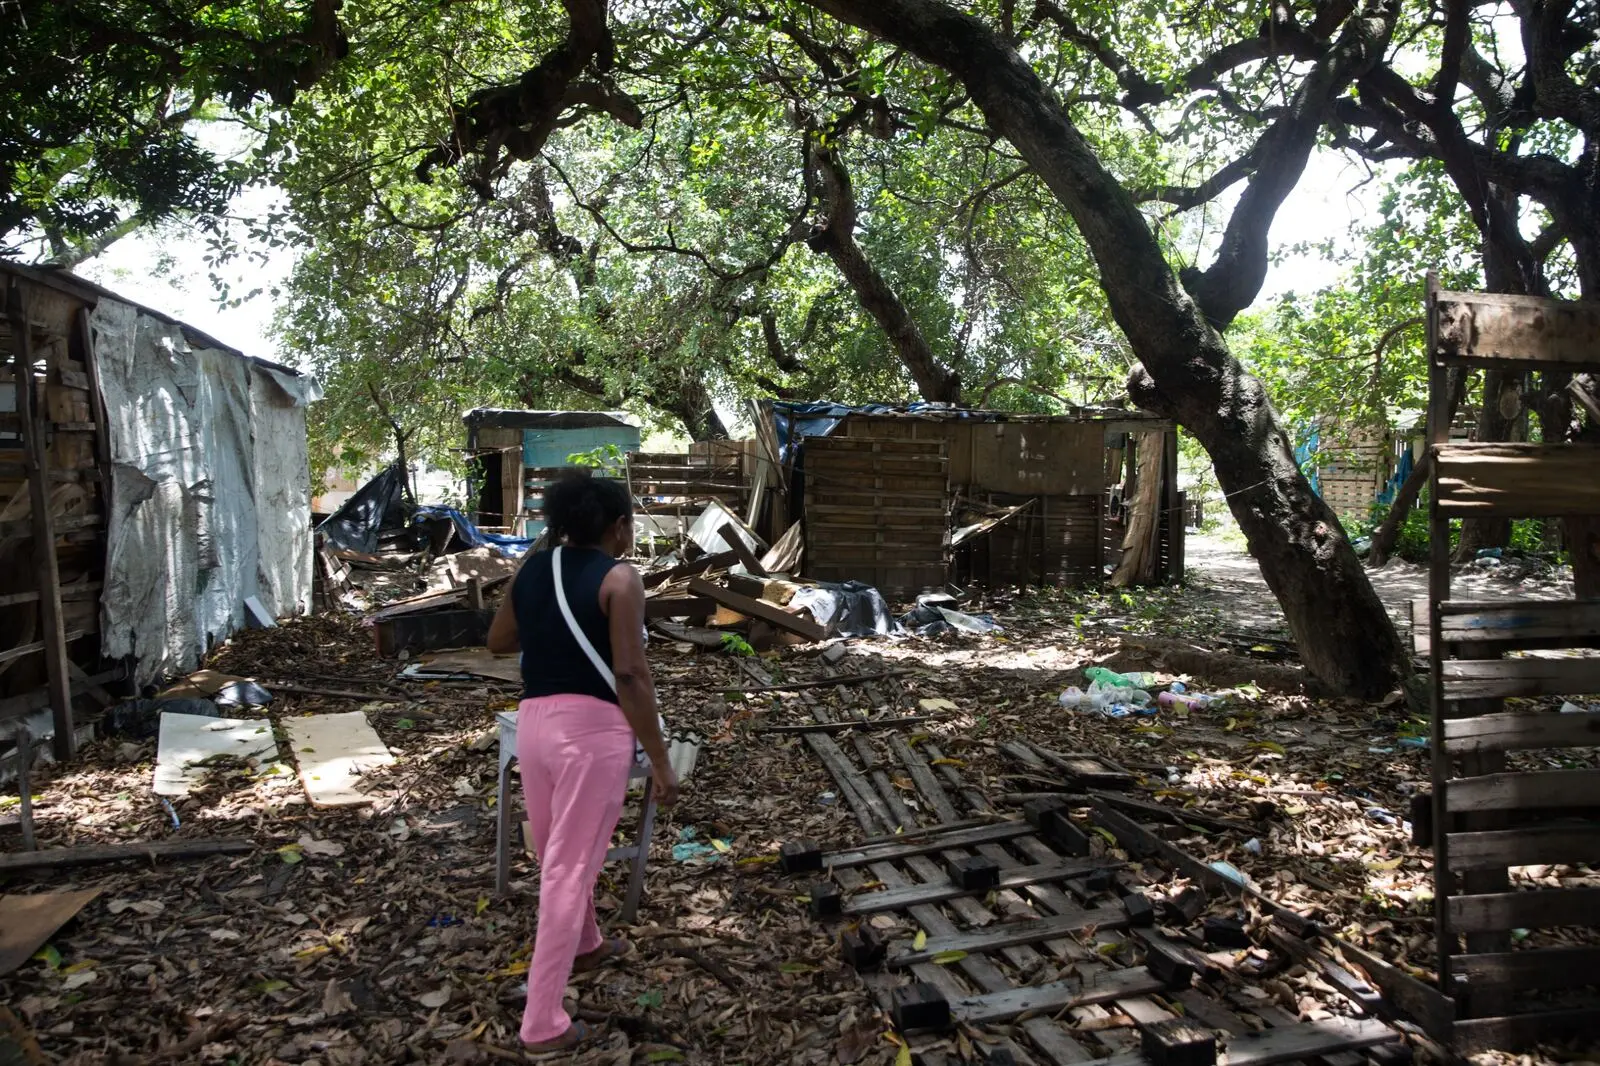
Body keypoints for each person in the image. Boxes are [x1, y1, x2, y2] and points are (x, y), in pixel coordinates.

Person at [486, 467, 678, 1054]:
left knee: (555, 852)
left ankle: (589, 942)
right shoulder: (621, 579)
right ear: (619, 527)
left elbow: (499, 642)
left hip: (534, 727)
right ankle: (543, 1021)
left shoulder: (530, 570)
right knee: (568, 870)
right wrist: (662, 761)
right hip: (591, 735)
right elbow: (631, 675)